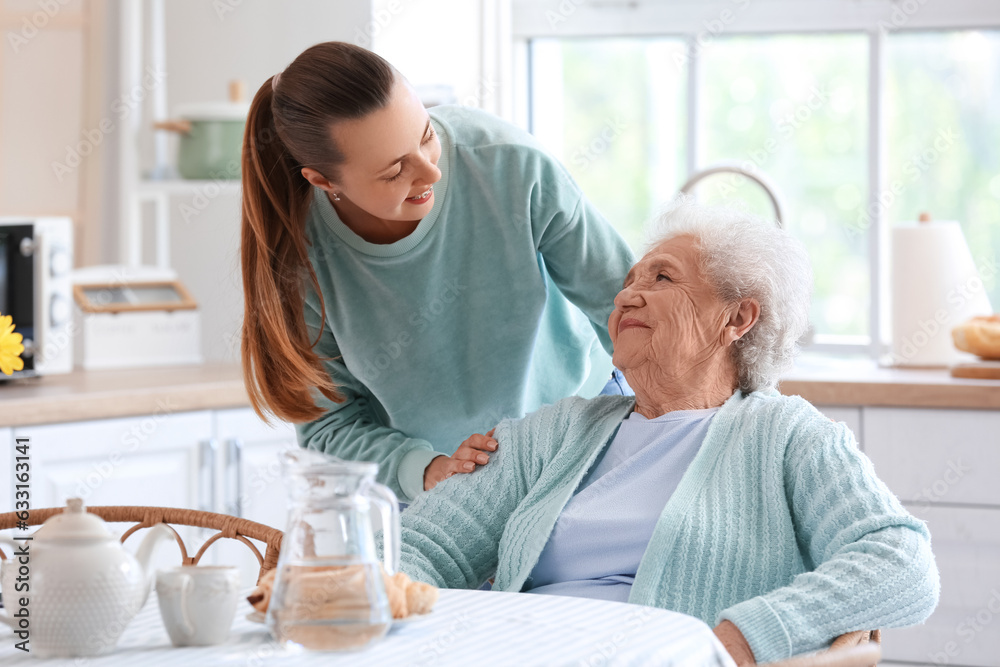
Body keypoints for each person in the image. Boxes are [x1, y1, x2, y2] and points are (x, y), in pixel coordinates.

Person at [392, 199, 940, 665]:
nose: (627, 296)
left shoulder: (788, 435)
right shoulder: (554, 432)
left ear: (736, 318)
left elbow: (901, 562)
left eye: (662, 278)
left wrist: (746, 636)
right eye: (628, 282)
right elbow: (417, 547)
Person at [240, 42, 635, 502]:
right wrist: (428, 470)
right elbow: (330, 425)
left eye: (426, 135)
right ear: (324, 182)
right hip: (446, 492)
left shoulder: (509, 165)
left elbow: (626, 305)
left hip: (581, 432)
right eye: (394, 172)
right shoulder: (302, 263)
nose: (431, 173)